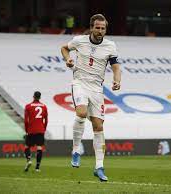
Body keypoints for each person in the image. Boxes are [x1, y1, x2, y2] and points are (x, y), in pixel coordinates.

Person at [61, 14, 121, 181]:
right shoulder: (79, 40)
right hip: (80, 83)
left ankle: (99, 167)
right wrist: (68, 59)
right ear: (92, 27)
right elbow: (64, 48)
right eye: (97, 27)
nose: (100, 31)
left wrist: (117, 80)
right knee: (80, 113)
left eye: (103, 28)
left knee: (98, 127)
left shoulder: (110, 46)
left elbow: (116, 66)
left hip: (97, 89)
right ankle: (75, 150)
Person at [24, 91, 48, 172]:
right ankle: (37, 168)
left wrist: (26, 130)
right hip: (40, 129)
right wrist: (44, 128)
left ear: (33, 96)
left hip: (31, 129)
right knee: (39, 147)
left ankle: (29, 160)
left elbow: (26, 120)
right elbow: (46, 120)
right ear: (40, 97)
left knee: (27, 147)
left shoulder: (28, 106)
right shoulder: (44, 106)